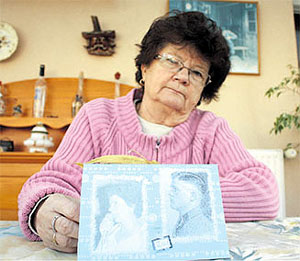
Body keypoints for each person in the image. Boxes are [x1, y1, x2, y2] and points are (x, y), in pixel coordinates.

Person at [18, 11, 279, 253]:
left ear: (203, 90)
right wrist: (44, 210)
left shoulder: (212, 130)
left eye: (197, 72)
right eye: (172, 61)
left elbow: (264, 194)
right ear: (145, 67)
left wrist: (156, 193)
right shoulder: (97, 116)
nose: (183, 77)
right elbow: (50, 182)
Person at [169, 172, 212, 238]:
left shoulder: (201, 226)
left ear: (193, 196)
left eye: (175, 190)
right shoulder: (183, 220)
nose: (170, 193)